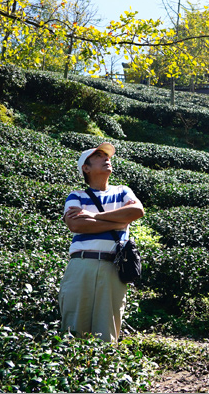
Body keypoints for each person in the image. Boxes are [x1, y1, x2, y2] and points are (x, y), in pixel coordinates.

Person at [58, 143, 144, 343]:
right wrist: (119, 220)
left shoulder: (123, 191)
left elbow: (137, 212)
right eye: (99, 155)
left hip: (112, 266)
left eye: (108, 156)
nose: (107, 158)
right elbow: (77, 225)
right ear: (85, 168)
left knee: (107, 330)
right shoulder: (76, 196)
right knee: (73, 328)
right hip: (82, 264)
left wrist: (92, 216)